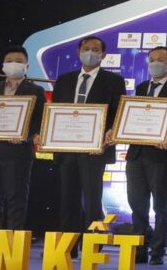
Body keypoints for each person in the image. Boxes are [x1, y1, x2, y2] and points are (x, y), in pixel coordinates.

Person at [41, 35, 124, 245]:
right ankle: (67, 247)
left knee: (93, 200)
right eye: (86, 48)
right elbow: (55, 112)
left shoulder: (114, 81)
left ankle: (91, 247)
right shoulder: (64, 80)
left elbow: (119, 112)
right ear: (79, 52)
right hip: (67, 149)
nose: (90, 53)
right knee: (68, 200)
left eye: (95, 49)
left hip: (95, 150)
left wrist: (110, 133)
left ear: (103, 55)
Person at [121, 46, 167, 265]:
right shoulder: (142, 87)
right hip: (136, 154)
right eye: (151, 59)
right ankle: (139, 247)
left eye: (160, 60)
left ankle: (157, 250)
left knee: (160, 204)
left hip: (162, 155)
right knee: (136, 203)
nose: (154, 63)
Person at [0, 46, 45, 231]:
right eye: (9, 61)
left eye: (19, 61)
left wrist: (24, 135)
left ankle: (12, 241)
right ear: (3, 65)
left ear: (27, 66)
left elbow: (40, 121)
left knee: (16, 198)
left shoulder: (36, 90)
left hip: (18, 152)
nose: (14, 64)